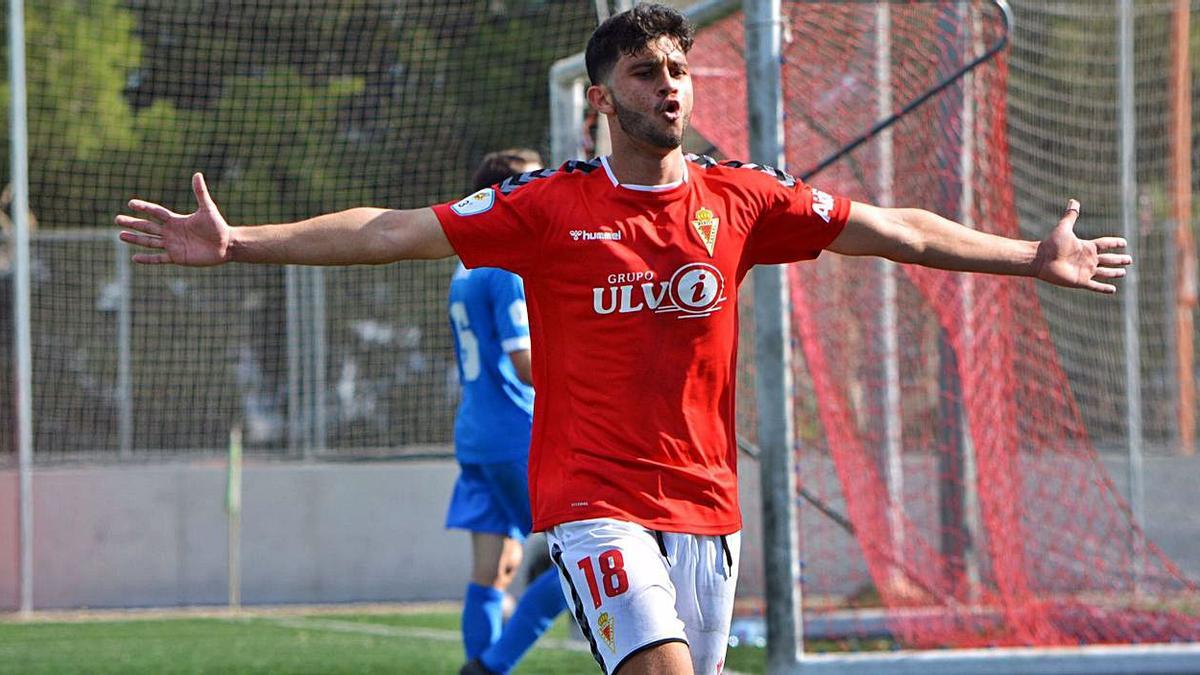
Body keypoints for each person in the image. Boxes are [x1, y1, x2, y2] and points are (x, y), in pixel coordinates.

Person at [115, 5, 1131, 673]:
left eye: (679, 69)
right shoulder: (543, 207)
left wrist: (1027, 259)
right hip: (596, 503)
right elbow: (390, 228)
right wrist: (240, 241)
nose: (672, 86)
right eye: (647, 72)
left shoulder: (743, 200)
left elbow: (898, 229)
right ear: (602, 98)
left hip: (708, 510)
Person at [445, 148, 567, 675]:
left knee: (492, 570)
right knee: (581, 566)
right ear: (506, 196)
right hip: (517, 432)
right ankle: (491, 667)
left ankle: (481, 661)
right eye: (532, 185)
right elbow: (523, 363)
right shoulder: (506, 268)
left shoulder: (465, 266)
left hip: (476, 432)